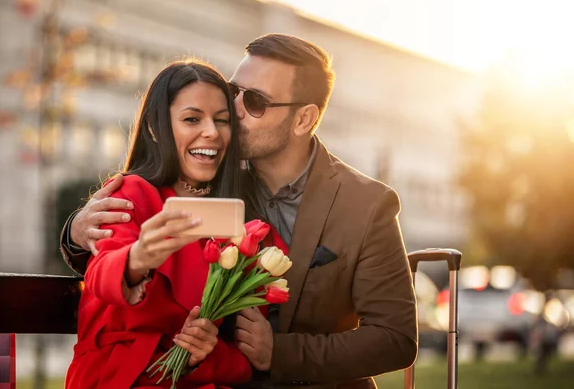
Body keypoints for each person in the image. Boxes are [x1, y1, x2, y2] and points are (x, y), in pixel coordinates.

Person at [61, 34, 418, 389]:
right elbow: (133, 252)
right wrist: (76, 231)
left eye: (256, 101)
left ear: (303, 119)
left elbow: (395, 339)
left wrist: (278, 353)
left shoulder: (367, 204)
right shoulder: (206, 179)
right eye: (234, 91)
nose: (235, 109)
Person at [64, 60, 287, 388]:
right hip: (119, 378)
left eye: (222, 121)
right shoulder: (131, 192)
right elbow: (101, 273)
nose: (211, 132)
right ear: (156, 127)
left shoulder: (244, 227)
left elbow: (243, 362)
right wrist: (137, 259)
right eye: (192, 119)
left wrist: (205, 353)